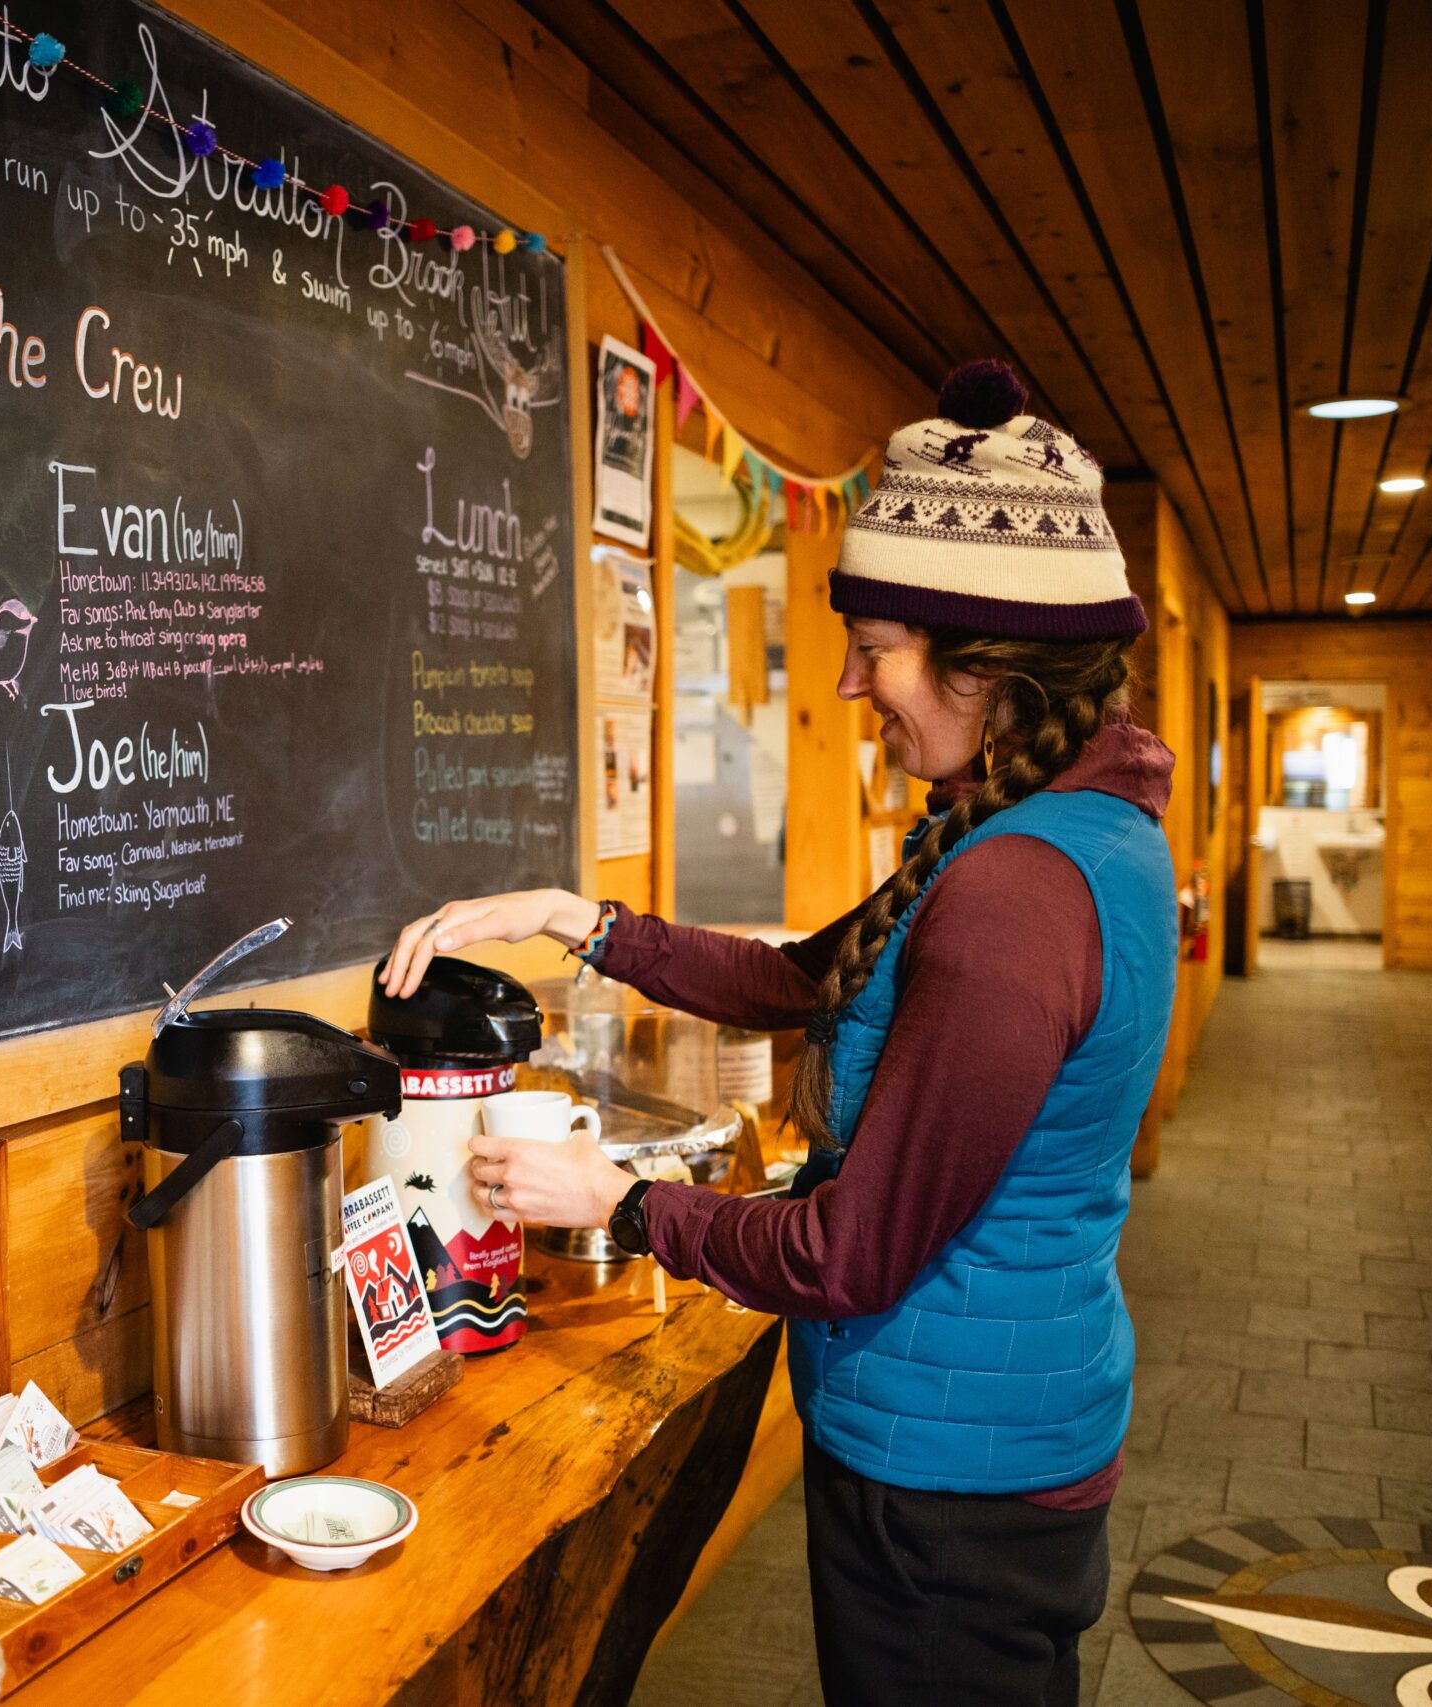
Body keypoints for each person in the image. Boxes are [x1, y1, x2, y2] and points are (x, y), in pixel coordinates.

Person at [382, 360, 1175, 1707]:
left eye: (875, 650)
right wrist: (576, 917)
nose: (855, 687)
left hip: (949, 1471)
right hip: (1010, 1420)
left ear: (981, 671)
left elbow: (852, 1249)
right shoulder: (1071, 834)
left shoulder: (1014, 894)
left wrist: (624, 1204)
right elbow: (811, 977)